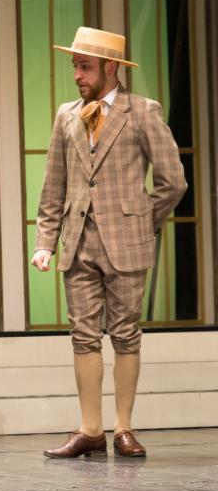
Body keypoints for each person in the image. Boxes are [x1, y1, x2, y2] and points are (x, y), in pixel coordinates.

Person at [31, 27, 186, 459]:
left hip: (126, 243)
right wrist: (45, 241)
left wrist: (142, 221)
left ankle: (123, 428)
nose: (77, 75)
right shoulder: (67, 115)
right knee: (82, 334)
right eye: (75, 66)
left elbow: (173, 181)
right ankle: (90, 430)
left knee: (125, 333)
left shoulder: (142, 111)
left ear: (110, 67)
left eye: (85, 67)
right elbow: (53, 184)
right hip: (78, 241)